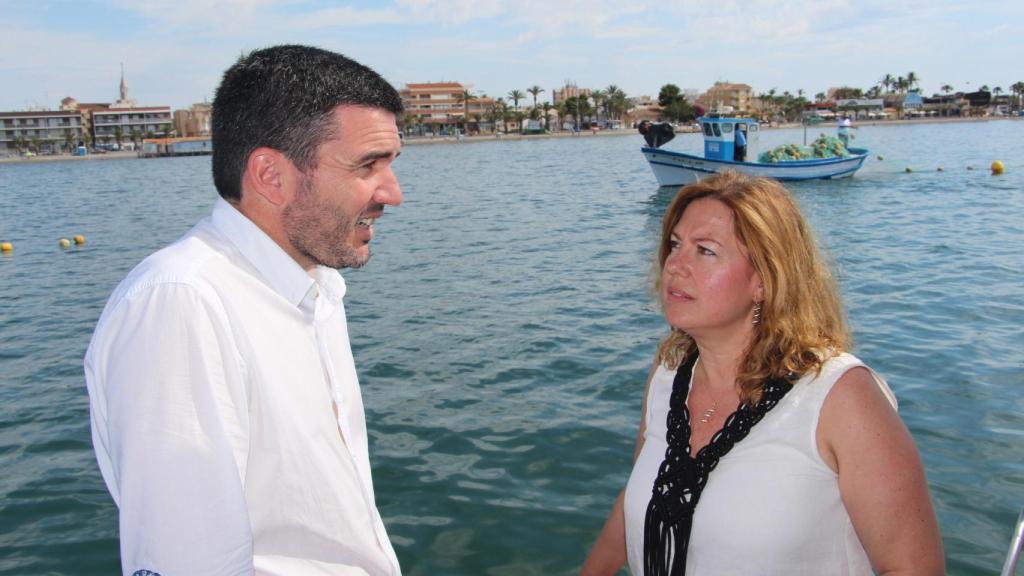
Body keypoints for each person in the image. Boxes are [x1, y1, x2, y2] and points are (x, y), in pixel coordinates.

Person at [85, 45, 405, 575]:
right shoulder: (183, 304)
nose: (393, 193)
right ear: (270, 175)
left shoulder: (315, 289)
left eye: (391, 164)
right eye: (367, 166)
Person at [581, 172, 944, 575]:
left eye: (705, 251)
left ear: (764, 280)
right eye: (675, 245)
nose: (675, 266)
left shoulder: (840, 396)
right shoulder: (668, 374)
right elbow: (641, 502)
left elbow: (913, 568)